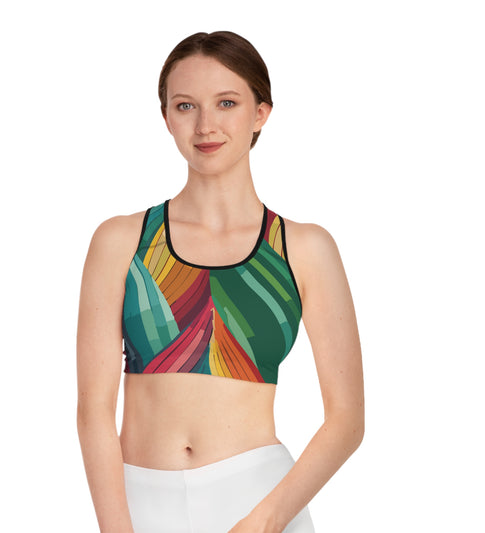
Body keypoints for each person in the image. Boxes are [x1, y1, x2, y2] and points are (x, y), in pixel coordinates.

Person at [76, 30, 364, 533]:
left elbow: (347, 419)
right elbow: (93, 412)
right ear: (166, 117)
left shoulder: (304, 248)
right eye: (186, 105)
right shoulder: (121, 241)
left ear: (260, 113)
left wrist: (266, 521)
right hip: (139, 502)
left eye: (226, 103)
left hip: (259, 500)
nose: (205, 125)